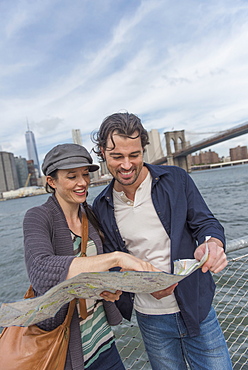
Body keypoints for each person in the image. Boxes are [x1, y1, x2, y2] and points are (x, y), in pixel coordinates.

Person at [92, 113, 233, 370]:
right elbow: (113, 261)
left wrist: (212, 243)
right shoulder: (100, 205)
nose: (126, 165)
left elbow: (206, 224)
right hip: (150, 319)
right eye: (117, 157)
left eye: (134, 155)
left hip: (197, 308)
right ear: (102, 153)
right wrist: (140, 285)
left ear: (143, 150)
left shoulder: (177, 179)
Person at [23, 143, 160, 370]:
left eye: (85, 174)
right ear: (51, 181)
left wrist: (109, 286)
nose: (83, 182)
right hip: (64, 347)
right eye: (72, 176)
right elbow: (41, 272)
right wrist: (116, 259)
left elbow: (97, 269)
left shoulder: (90, 214)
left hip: (102, 339)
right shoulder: (38, 217)